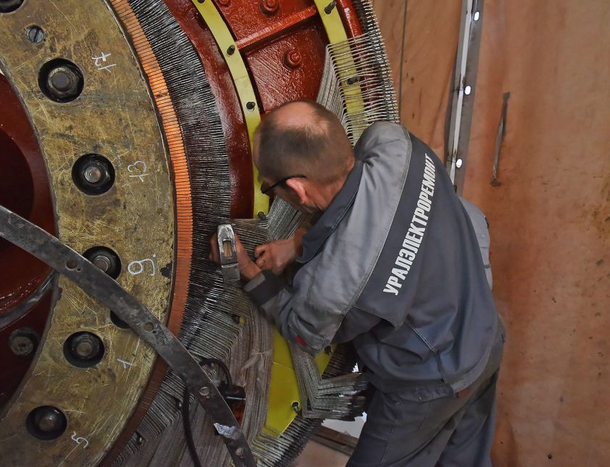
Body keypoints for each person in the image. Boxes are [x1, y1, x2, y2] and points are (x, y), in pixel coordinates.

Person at [210, 100, 505, 466]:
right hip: (485, 334)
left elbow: (303, 333)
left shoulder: (333, 285)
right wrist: (298, 244)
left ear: (298, 190)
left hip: (434, 379)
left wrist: (248, 271)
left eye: (269, 186)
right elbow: (368, 208)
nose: (269, 191)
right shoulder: (395, 143)